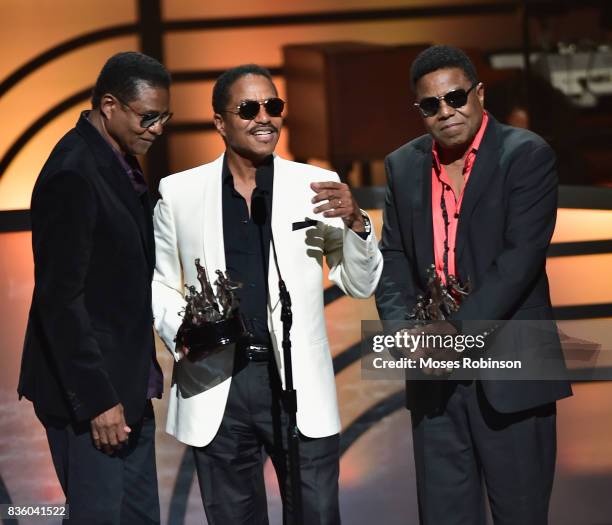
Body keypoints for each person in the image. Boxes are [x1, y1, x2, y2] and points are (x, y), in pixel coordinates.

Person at [152, 64, 383, 524]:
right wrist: (190, 330)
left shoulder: (314, 186)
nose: (265, 117)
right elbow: (162, 283)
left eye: (273, 106)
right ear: (220, 121)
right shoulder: (179, 192)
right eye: (249, 108)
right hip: (219, 382)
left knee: (316, 514)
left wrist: (357, 223)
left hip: (298, 384)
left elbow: (360, 283)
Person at [375, 45, 572, 524]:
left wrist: (453, 336)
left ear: (479, 93)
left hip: (513, 369)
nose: (446, 111)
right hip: (433, 378)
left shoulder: (526, 154)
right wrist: (405, 333)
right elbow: (394, 257)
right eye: (431, 104)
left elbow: (518, 261)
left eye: (456, 97)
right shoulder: (402, 166)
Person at [18, 51, 172, 524]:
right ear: (109, 105)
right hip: (91, 399)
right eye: (148, 117)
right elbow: (60, 301)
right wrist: (98, 401)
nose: (158, 129)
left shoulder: (115, 158)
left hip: (125, 388)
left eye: (164, 117)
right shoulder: (73, 173)